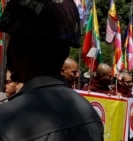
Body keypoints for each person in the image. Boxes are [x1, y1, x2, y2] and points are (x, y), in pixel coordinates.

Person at [0, 0, 104, 141]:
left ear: (17, 48)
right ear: (65, 52)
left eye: (11, 41)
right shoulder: (90, 114)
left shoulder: (7, 121)